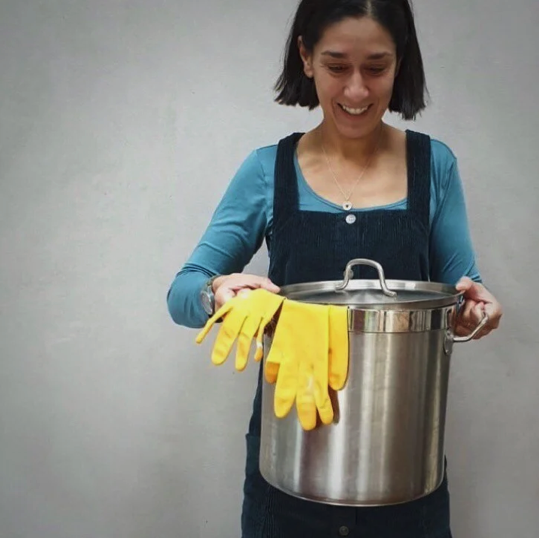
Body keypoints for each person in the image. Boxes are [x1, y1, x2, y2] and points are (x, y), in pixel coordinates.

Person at [167, 0, 503, 536]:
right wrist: (216, 293)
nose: (357, 90)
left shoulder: (434, 166)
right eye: (337, 65)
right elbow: (182, 292)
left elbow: (464, 291)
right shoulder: (267, 170)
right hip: (288, 473)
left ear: (400, 61)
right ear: (305, 57)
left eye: (376, 67)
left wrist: (476, 310)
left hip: (403, 476)